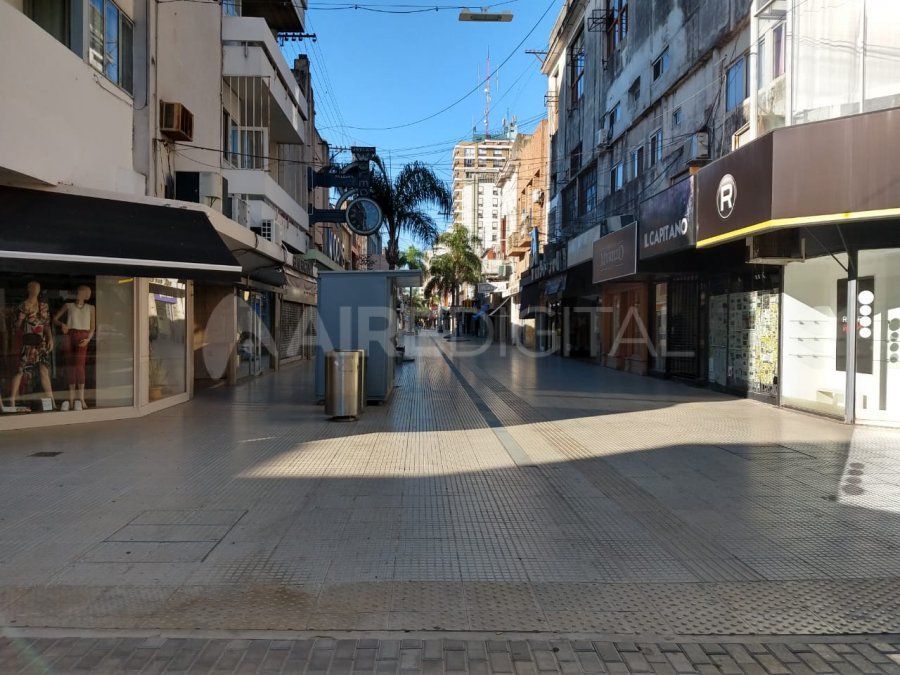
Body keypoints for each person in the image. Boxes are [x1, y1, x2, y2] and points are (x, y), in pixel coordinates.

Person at [8, 281, 55, 410]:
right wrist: (21, 319)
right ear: (28, 289)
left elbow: (46, 325)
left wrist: (50, 339)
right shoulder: (23, 306)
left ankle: (52, 401)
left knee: (44, 371)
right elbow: (16, 327)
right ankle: (11, 400)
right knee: (21, 371)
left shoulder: (43, 306)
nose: (36, 289)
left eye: (38, 287)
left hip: (41, 342)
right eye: (33, 287)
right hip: (28, 342)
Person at [53, 285, 95, 411]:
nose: (79, 294)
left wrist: (88, 339)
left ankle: (81, 397)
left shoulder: (91, 308)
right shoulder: (68, 305)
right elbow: (55, 319)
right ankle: (71, 398)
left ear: (86, 295)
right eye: (78, 292)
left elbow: (92, 327)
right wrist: (62, 324)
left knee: (80, 366)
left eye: (82, 292)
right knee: (70, 365)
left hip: (83, 336)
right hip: (69, 335)